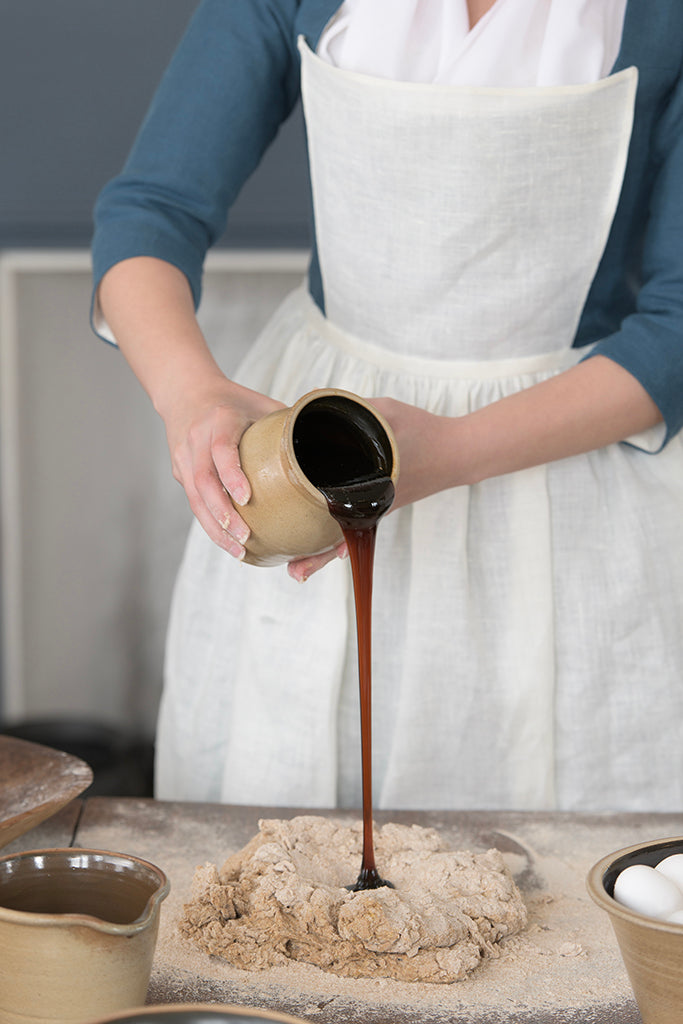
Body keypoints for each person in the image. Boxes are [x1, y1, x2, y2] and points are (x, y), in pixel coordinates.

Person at [91, 0, 683, 813]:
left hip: (563, 454)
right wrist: (189, 393)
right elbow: (151, 210)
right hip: (317, 447)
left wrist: (455, 450)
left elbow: (677, 323)